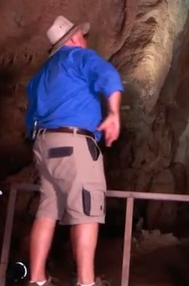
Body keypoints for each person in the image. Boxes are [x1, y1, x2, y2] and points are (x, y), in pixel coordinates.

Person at [24, 15, 123, 286]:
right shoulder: (78, 57)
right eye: (82, 35)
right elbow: (108, 75)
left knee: (47, 211)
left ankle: (36, 279)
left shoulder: (40, 75)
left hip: (43, 146)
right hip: (74, 144)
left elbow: (29, 118)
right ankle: (86, 282)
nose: (85, 40)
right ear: (73, 38)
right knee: (87, 212)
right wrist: (113, 113)